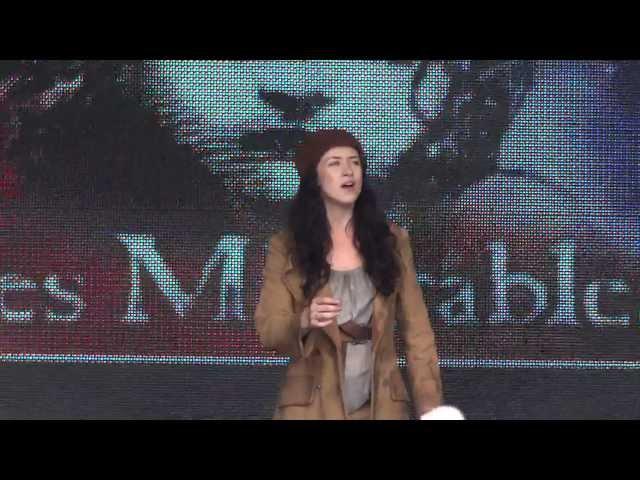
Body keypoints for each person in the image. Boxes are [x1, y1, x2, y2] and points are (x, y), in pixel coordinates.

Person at [254, 129, 442, 420]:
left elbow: (418, 334)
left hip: (382, 404)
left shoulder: (391, 241)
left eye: (354, 162)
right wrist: (304, 320)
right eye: (334, 163)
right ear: (314, 179)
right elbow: (269, 331)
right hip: (311, 408)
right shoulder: (286, 246)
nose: (348, 171)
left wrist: (430, 406)